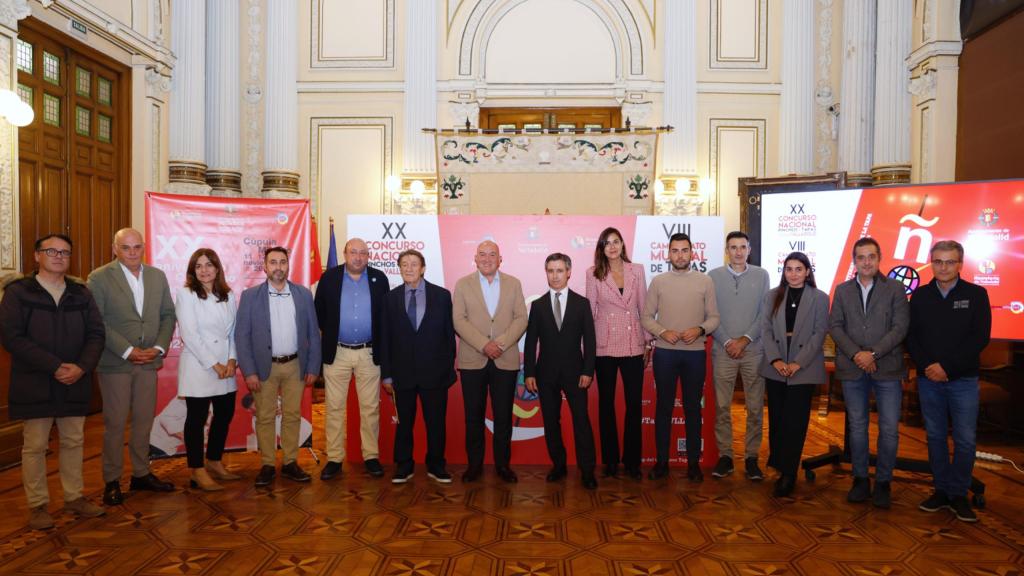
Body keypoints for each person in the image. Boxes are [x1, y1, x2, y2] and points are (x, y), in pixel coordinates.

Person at [0, 234, 106, 530]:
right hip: (34, 380)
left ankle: (73, 498)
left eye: (65, 252)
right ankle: (38, 506)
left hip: (75, 379)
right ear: (37, 256)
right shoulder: (19, 292)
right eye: (52, 251)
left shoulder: (80, 293)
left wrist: (82, 367)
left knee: (74, 441)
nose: (59, 256)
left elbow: (96, 334)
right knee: (35, 445)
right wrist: (54, 366)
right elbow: (12, 337)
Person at [88, 228, 177, 506]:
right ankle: (112, 480)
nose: (132, 253)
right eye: (126, 248)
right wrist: (128, 350)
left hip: (150, 361)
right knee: (115, 424)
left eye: (137, 247)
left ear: (144, 247)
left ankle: (141, 473)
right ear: (115, 248)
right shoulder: (99, 277)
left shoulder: (157, 276)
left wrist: (159, 348)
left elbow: (168, 315)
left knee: (143, 420)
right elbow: (97, 321)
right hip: (116, 363)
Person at [908, 240, 991, 523]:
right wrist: (929, 367)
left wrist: (947, 367)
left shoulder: (977, 294)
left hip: (963, 380)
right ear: (932, 263)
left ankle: (958, 494)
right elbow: (912, 338)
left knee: (965, 441)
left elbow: (979, 338)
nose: (943, 267)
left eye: (950, 262)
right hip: (928, 378)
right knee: (934, 437)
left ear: (960, 264)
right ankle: (941, 490)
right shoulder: (919, 296)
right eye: (938, 262)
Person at [829, 237, 910, 508]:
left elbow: (900, 328)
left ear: (879, 258)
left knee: (888, 429)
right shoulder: (842, 290)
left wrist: (872, 354)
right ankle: (860, 478)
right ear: (854, 261)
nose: (866, 262)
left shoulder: (896, 289)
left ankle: (884, 482)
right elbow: (836, 327)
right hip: (853, 368)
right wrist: (857, 355)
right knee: (858, 427)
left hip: (887, 368)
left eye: (871, 256)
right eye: (861, 257)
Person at [236, 247, 322, 487]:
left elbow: (314, 334)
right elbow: (242, 337)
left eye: (282, 262)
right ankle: (266, 464)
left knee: (293, 415)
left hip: (295, 365)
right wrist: (249, 371)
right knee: (264, 417)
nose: (278, 267)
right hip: (264, 368)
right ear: (265, 267)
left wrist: (314, 366)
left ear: (288, 265)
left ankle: (290, 462)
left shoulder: (303, 294)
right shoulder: (250, 296)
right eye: (273, 262)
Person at [641, 232, 720, 482]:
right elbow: (645, 317)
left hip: (695, 354)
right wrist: (663, 331)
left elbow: (714, 318)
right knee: (663, 408)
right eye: (675, 251)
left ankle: (693, 464)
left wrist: (699, 329)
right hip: (664, 354)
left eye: (684, 250)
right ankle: (661, 463)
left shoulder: (705, 281)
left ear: (692, 253)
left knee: (692, 410)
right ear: (668, 254)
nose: (680, 255)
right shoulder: (659, 281)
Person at [452, 240, 528, 483]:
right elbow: (458, 320)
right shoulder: (463, 284)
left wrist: (501, 344)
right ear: (475, 258)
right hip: (473, 360)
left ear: (500, 258)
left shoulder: (514, 284)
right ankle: (474, 466)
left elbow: (521, 319)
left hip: (505, 361)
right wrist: (484, 344)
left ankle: (503, 466)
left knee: (503, 416)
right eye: (482, 254)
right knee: (473, 417)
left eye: (492, 254)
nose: (487, 258)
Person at [314, 238, 389, 480]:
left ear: (369, 256)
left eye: (363, 253)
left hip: (369, 353)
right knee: (334, 408)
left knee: (370, 408)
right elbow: (320, 314)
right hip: (338, 353)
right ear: (345, 254)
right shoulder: (330, 278)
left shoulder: (379, 279)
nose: (358, 257)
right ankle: (335, 458)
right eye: (353, 252)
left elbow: (385, 316)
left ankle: (371, 456)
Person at [380, 249, 457, 484]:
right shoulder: (390, 299)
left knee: (436, 423)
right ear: (400, 269)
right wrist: (387, 375)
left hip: (435, 374)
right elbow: (385, 339)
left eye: (414, 264)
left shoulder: (442, 296)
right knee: (404, 425)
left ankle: (436, 464)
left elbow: (448, 337)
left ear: (423, 268)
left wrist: (446, 368)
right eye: (404, 264)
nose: (409, 268)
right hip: (401, 375)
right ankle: (404, 465)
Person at [525, 253, 598, 489]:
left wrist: (588, 370)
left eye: (559, 270)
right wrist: (529, 373)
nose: (554, 275)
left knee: (581, 421)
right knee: (550, 421)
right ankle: (558, 465)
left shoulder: (581, 303)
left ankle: (587, 470)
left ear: (568, 272)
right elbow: (530, 342)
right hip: (545, 375)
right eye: (550, 271)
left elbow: (590, 340)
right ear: (546, 273)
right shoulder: (538, 305)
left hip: (576, 373)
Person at [760, 251, 830, 497]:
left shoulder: (820, 298)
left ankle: (789, 473)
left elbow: (819, 334)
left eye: (798, 269)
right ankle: (778, 465)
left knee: (795, 421)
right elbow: (765, 330)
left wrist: (798, 363)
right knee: (777, 419)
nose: (793, 273)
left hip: (805, 367)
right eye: (788, 269)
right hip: (775, 365)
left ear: (808, 271)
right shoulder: (772, 296)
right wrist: (776, 359)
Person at [585, 227, 649, 480]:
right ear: (601, 248)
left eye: (616, 242)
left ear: (623, 244)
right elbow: (589, 314)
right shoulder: (594, 274)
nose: (612, 247)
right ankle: (610, 460)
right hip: (605, 347)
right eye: (606, 243)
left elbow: (643, 308)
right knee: (606, 405)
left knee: (634, 406)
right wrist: (588, 352)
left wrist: (647, 342)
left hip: (634, 345)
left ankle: (632, 462)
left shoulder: (637, 270)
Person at [174, 248, 239, 491]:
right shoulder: (186, 294)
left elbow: (233, 331)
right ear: (193, 270)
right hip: (200, 365)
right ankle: (197, 470)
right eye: (198, 266)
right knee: (196, 419)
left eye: (208, 265)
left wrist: (232, 360)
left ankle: (214, 461)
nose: (204, 270)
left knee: (224, 415)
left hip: (226, 367)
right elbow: (190, 334)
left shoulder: (228, 294)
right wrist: (215, 364)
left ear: (217, 268)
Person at [708, 231, 771, 482]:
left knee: (755, 407)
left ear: (749, 249)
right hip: (722, 350)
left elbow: (764, 313)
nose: (737, 252)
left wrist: (744, 340)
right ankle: (726, 457)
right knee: (722, 407)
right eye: (732, 247)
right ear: (726, 250)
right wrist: (726, 341)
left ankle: (752, 458)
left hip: (753, 350)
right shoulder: (713, 276)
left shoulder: (762, 275)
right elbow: (710, 314)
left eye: (742, 247)